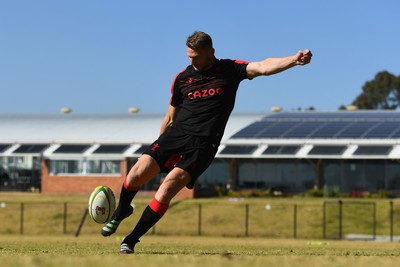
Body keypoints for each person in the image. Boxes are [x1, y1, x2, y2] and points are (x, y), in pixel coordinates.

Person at [101, 31, 312, 254]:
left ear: (211, 52)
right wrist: (159, 142)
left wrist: (294, 60)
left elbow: (263, 66)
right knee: (135, 174)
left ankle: (131, 240)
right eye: (189, 56)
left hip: (203, 144)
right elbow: (171, 114)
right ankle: (121, 211)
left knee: (167, 188)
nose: (192, 61)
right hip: (175, 135)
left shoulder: (230, 69)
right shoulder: (182, 78)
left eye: (196, 57)